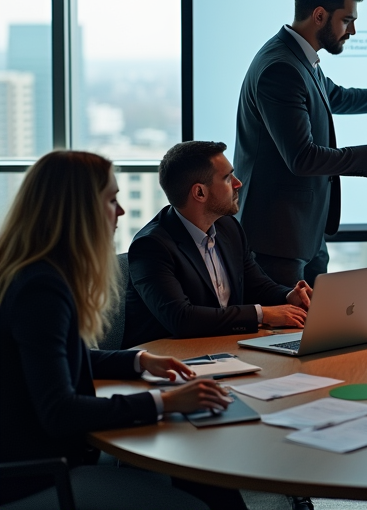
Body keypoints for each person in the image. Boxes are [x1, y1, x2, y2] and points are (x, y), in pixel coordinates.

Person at [0, 151, 234, 506]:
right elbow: (60, 411)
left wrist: (139, 361)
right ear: (77, 211)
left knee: (210, 481)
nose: (121, 212)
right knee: (198, 500)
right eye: (111, 199)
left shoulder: (35, 274)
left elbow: (59, 360)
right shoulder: (41, 289)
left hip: (50, 459)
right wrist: (165, 401)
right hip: (42, 476)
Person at [234, 0, 367, 287]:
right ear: (320, 15)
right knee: (281, 334)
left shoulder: (299, 59)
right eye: (347, 20)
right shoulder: (282, 68)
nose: (353, 31)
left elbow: (335, 96)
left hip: (304, 233)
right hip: (277, 239)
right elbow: (302, 157)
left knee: (314, 330)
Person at [123, 141, 315, 349]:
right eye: (227, 178)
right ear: (199, 193)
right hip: (168, 361)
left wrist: (289, 296)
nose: (238, 183)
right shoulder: (151, 246)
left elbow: (256, 285)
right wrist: (263, 313)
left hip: (223, 347)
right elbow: (181, 319)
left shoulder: (227, 227)